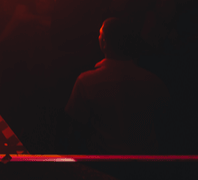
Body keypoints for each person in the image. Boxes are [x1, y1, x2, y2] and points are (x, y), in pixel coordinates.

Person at [65, 17, 169, 154]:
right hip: (146, 163)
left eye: (100, 34)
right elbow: (165, 126)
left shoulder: (86, 82)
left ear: (104, 42)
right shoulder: (153, 82)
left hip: (104, 162)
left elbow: (74, 130)